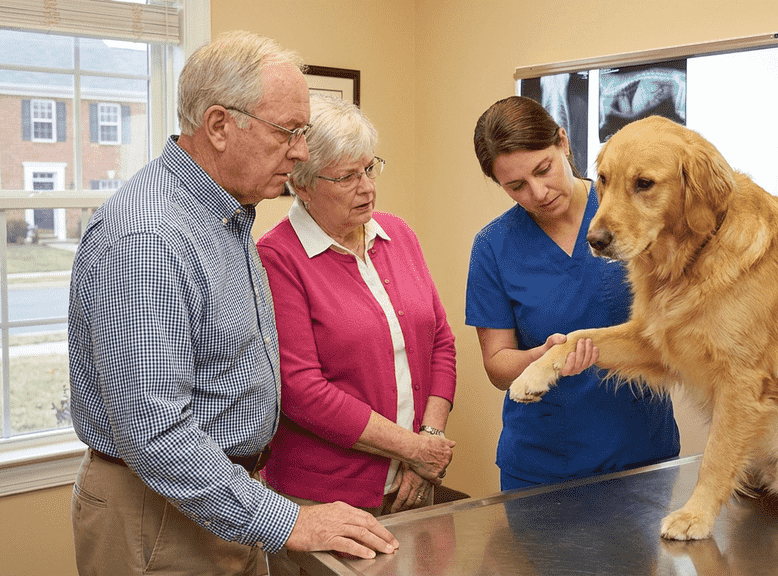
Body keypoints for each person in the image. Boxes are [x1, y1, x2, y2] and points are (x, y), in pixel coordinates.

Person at [68, 31, 397, 576]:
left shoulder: (225, 215)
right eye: (288, 132)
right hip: (160, 509)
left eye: (303, 133)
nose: (300, 152)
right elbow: (154, 430)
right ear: (220, 125)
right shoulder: (149, 237)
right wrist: (286, 521)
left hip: (223, 493)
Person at [256, 95, 456, 575]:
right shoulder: (276, 257)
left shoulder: (397, 234)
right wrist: (413, 449)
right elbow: (302, 390)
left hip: (413, 482)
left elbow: (441, 344)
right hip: (325, 501)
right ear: (302, 184)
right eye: (347, 177)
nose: (367, 187)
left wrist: (427, 442)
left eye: (369, 169)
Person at [467, 95, 681, 491]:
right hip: (543, 465)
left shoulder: (635, 215)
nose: (538, 192)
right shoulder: (493, 246)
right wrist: (544, 357)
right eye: (516, 186)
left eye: (543, 169)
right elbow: (497, 366)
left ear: (563, 142)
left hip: (642, 454)